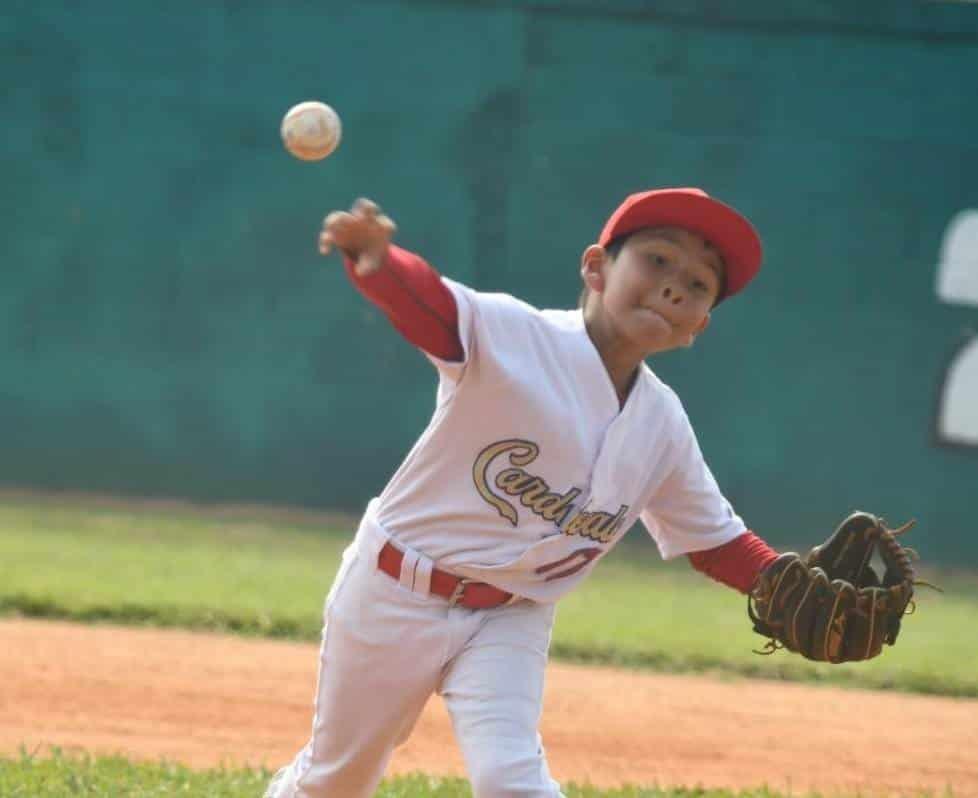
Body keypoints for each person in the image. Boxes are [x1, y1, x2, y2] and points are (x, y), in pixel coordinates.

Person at [265, 188, 780, 798]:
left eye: (698, 285)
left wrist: (786, 583)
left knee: (511, 780)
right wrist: (381, 264)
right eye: (657, 260)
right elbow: (427, 307)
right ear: (596, 267)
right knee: (338, 780)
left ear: (700, 325)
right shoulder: (517, 334)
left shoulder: (662, 426)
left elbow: (716, 542)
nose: (675, 286)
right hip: (395, 589)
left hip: (511, 615)